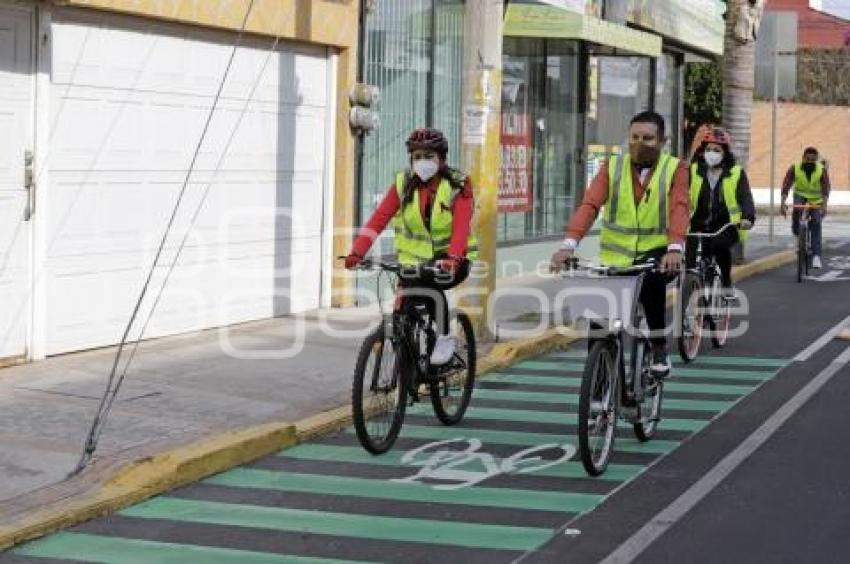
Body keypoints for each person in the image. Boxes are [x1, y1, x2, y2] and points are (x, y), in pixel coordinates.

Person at [551, 111, 690, 378]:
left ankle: (659, 348)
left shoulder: (676, 169)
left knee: (651, 284)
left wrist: (675, 248)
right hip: (615, 257)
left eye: (648, 138)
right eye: (634, 137)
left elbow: (680, 207)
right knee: (600, 322)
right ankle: (599, 381)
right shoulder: (612, 167)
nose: (640, 143)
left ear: (662, 141)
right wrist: (568, 244)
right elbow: (590, 205)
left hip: (657, 252)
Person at [344, 127, 477, 365]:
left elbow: (461, 228)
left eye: (429, 156)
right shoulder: (403, 184)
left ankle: (445, 336)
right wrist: (357, 251)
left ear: (442, 159)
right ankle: (407, 363)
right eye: (417, 156)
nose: (422, 162)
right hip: (413, 260)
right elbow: (379, 218)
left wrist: (453, 258)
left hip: (452, 260)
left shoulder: (458, 186)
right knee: (404, 302)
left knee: (428, 286)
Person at [687, 126, 756, 298]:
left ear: (725, 152)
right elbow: (680, 195)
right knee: (689, 261)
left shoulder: (736, 173)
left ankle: (726, 281)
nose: (711, 153)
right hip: (697, 223)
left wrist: (747, 217)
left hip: (726, 224)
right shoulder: (693, 170)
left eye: (716, 150)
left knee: (719, 246)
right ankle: (690, 295)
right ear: (702, 151)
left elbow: (745, 197)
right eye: (708, 149)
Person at [780, 147, 830, 269]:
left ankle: (816, 256)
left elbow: (825, 188)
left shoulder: (821, 170)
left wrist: (824, 205)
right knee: (797, 212)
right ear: (803, 158)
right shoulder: (795, 167)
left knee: (816, 223)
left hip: (816, 199)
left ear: (816, 160)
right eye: (807, 159)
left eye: (813, 160)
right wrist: (782, 202)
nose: (810, 162)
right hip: (800, 195)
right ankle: (798, 237)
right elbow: (787, 183)